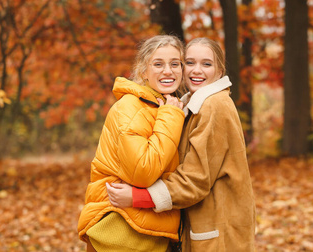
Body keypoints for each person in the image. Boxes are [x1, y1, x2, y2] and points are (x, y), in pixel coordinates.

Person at [106, 37, 256, 251]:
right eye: (190, 63)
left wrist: (138, 197)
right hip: (204, 225)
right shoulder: (191, 106)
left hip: (218, 231)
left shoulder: (215, 105)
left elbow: (195, 179)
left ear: (220, 70)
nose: (197, 70)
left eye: (207, 64)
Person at [77, 35, 186, 252]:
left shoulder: (164, 106)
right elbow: (142, 171)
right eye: (158, 64)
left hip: (147, 229)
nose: (168, 71)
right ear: (143, 71)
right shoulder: (132, 107)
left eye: (175, 64)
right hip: (121, 233)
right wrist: (171, 117)